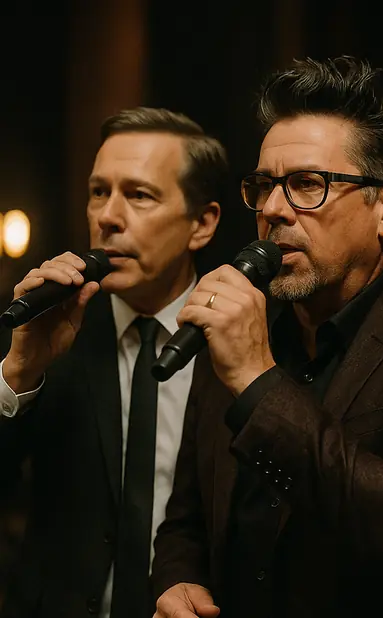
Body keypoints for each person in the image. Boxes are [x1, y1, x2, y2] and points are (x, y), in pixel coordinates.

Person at [150, 56, 383, 618]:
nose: (274, 210)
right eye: (263, 187)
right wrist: (177, 579)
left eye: (307, 185)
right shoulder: (242, 330)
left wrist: (257, 380)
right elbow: (188, 516)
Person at [0, 108, 226, 618]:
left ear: (202, 223)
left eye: (139, 195)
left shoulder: (244, 335)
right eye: (99, 191)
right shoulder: (48, 326)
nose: (108, 216)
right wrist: (18, 374)